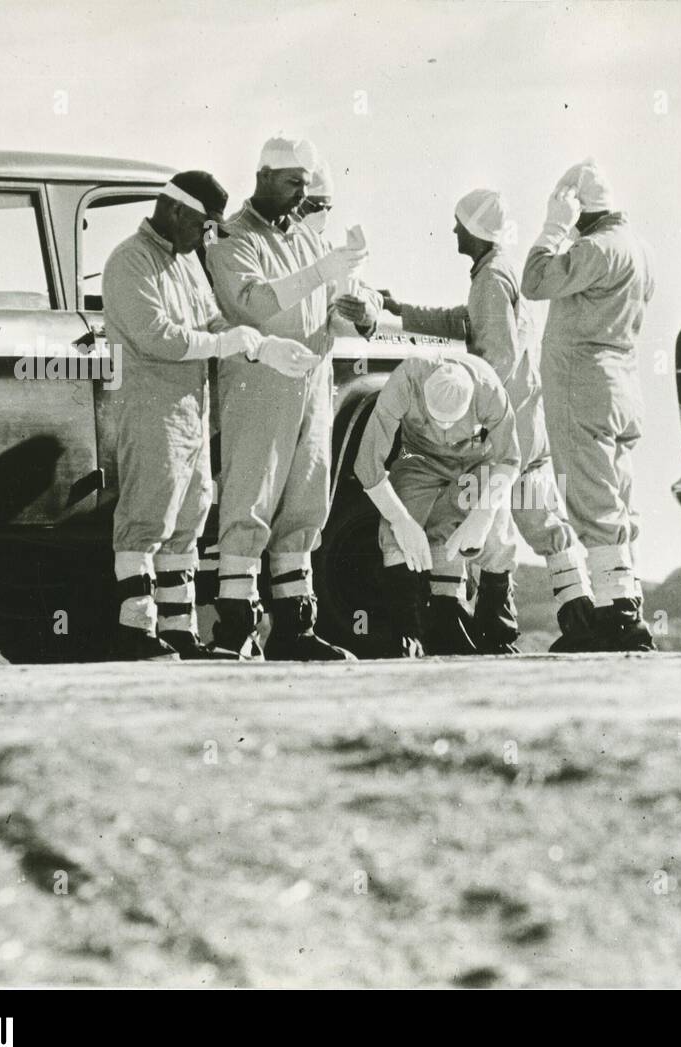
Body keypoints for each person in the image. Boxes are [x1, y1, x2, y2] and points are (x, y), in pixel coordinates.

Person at [104, 170, 315, 660]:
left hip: (192, 412)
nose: (207, 237)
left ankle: (178, 632)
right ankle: (136, 629)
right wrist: (224, 342)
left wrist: (260, 344)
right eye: (203, 225)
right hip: (151, 408)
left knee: (190, 516)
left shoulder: (186, 264)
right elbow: (157, 335)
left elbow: (212, 320)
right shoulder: (129, 262)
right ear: (176, 210)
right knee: (147, 517)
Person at [379, 189, 594, 653]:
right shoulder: (496, 273)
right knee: (538, 519)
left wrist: (471, 418)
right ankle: (575, 617)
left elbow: (496, 353)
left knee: (485, 523)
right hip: (523, 419)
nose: (454, 230)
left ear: (474, 229)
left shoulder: (492, 277)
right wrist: (402, 312)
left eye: (458, 224)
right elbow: (466, 322)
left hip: (502, 427)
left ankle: (493, 626)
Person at [205, 138, 377, 660]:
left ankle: (296, 626)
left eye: (307, 184)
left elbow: (334, 307)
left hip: (314, 379)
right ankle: (235, 626)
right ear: (262, 176)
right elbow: (253, 302)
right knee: (251, 497)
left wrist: (361, 309)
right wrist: (323, 273)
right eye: (293, 183)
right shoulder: (232, 238)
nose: (302, 195)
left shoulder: (304, 238)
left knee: (305, 501)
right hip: (259, 380)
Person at [522, 159, 656, 651]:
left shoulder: (595, 248)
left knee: (593, 497)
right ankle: (623, 601)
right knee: (617, 496)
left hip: (584, 384)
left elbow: (534, 282)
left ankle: (618, 616)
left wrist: (553, 228)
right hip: (623, 383)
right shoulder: (639, 248)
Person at [353, 354, 520, 657]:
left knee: (496, 531)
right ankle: (408, 635)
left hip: (476, 459)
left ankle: (497, 633)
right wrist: (401, 521)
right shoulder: (404, 382)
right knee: (395, 537)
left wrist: (482, 516)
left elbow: (509, 460)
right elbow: (367, 465)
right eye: (435, 418)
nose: (444, 429)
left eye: (451, 421)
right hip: (418, 459)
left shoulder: (491, 391)